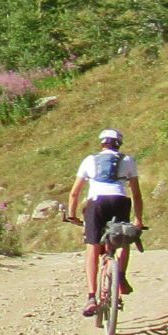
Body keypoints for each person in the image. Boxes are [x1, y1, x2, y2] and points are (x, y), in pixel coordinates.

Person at [65, 127, 144, 316]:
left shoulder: (89, 160)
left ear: (102, 143)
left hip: (96, 203)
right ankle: (121, 277)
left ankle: (91, 296)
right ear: (119, 144)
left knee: (92, 246)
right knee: (123, 238)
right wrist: (138, 219)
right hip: (120, 201)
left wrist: (71, 214)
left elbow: (74, 192)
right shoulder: (127, 160)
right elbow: (136, 193)